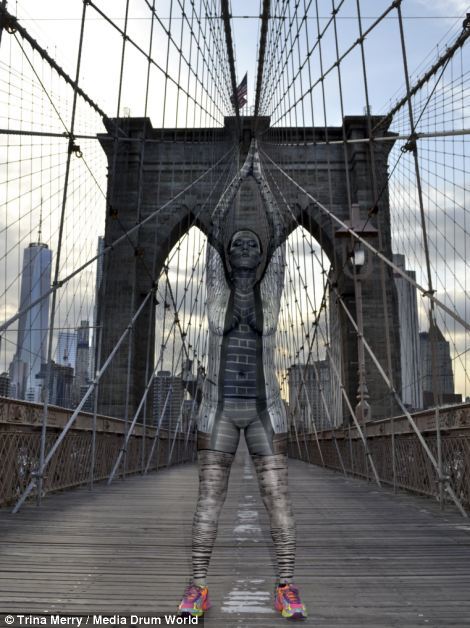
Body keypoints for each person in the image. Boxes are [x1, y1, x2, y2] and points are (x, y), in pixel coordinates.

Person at [178, 141, 307, 620]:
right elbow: (212, 226)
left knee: (279, 502)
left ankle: (287, 586)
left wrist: (263, 180)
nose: (247, 246)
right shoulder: (218, 293)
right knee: (208, 502)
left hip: (263, 410)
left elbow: (279, 234)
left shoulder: (269, 292)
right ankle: (197, 586)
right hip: (216, 411)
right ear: (229, 258)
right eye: (239, 245)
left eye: (252, 243)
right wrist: (238, 173)